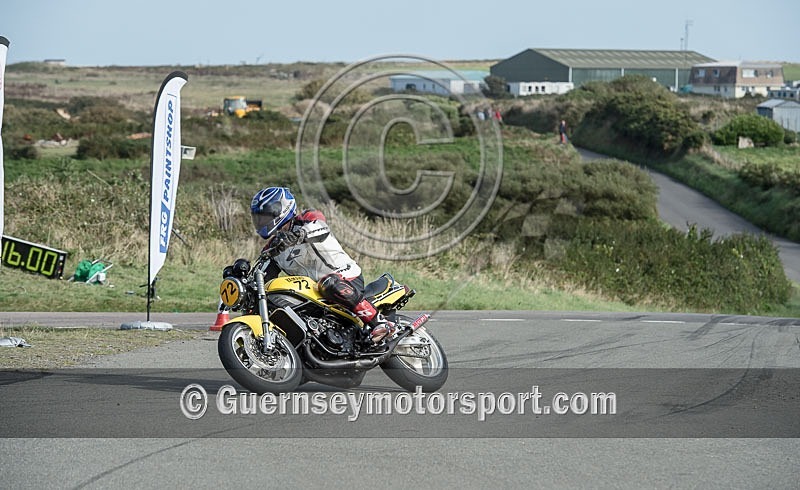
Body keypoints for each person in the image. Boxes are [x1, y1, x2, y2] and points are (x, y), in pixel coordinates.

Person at [250, 186, 395, 343]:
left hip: (345, 278)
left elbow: (320, 227)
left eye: (265, 216)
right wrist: (242, 280)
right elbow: (261, 275)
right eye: (258, 217)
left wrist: (298, 235)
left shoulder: (307, 218)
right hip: (313, 293)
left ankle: (379, 323)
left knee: (328, 283)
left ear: (281, 210)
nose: (261, 221)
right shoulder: (273, 248)